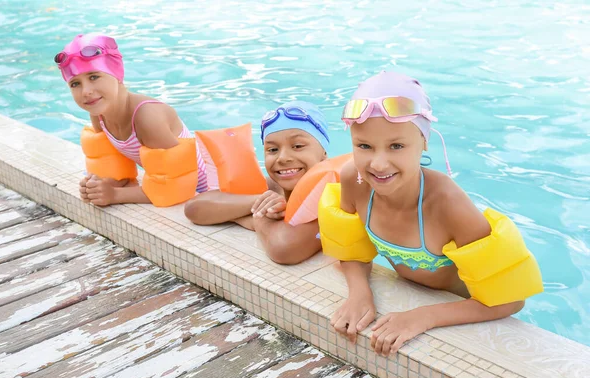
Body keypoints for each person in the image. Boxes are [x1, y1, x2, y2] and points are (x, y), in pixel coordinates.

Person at [327, 71, 539, 355]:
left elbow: (510, 301)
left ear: (424, 142)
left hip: (466, 309)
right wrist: (359, 292)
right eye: (364, 146)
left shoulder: (448, 205)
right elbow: (351, 250)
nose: (378, 164)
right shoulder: (354, 180)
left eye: (397, 146)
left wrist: (423, 317)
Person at [55, 33, 208, 206]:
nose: (86, 91)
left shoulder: (146, 117)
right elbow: (117, 173)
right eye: (75, 84)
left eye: (94, 77)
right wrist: (97, 186)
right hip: (179, 185)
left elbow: (173, 187)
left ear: (117, 74)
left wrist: (114, 195)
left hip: (210, 187)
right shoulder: (99, 113)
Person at [185, 101, 329, 264]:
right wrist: (259, 202)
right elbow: (194, 209)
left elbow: (284, 249)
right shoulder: (275, 188)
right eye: (272, 150)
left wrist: (257, 218)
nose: (282, 158)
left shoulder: (329, 195)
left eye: (297, 146)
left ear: (323, 152)